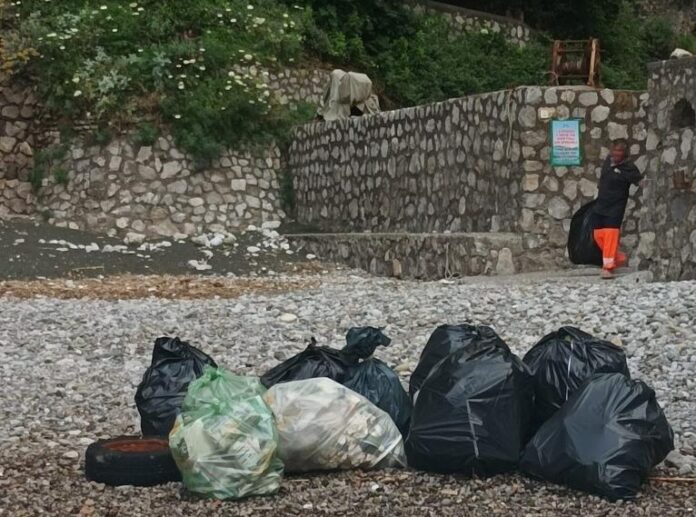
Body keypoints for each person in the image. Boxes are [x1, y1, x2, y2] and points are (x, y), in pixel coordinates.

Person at [593, 139, 643, 279]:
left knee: (610, 235)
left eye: (620, 151)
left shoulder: (629, 167)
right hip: (601, 204)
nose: (616, 153)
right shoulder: (608, 161)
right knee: (597, 235)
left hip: (616, 207)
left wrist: (650, 184)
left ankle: (608, 268)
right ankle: (618, 257)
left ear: (625, 152)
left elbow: (640, 181)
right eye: (614, 150)